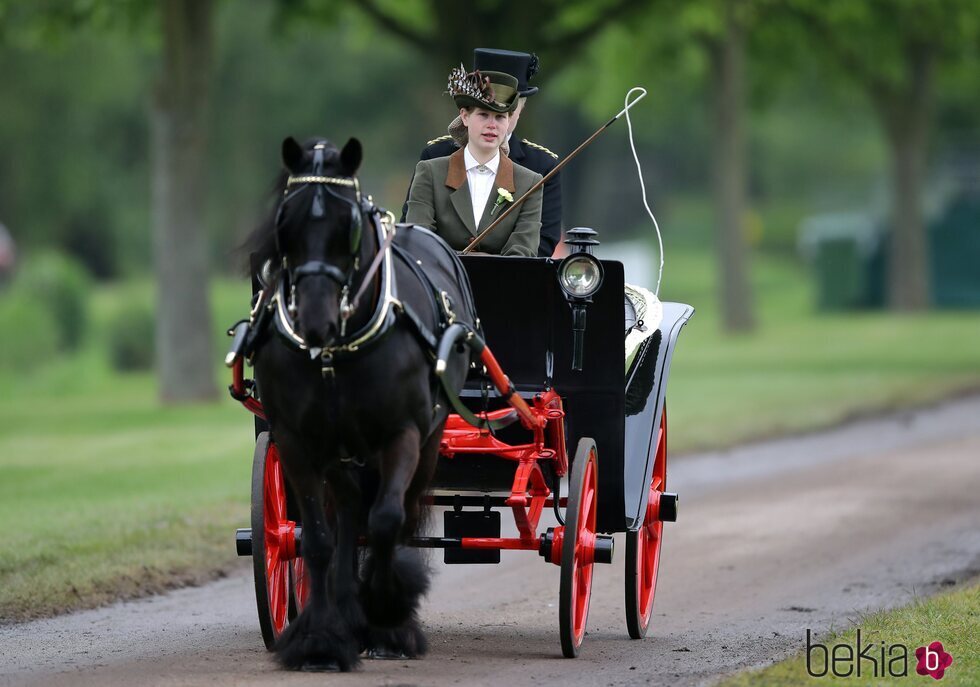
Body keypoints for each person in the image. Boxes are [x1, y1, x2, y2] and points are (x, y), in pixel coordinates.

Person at [402, 49, 561, 258]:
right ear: (465, 116)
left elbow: (527, 252)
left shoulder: (531, 180)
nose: (492, 125)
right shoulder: (432, 167)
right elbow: (417, 238)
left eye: (500, 117)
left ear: (515, 113)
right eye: (483, 114)